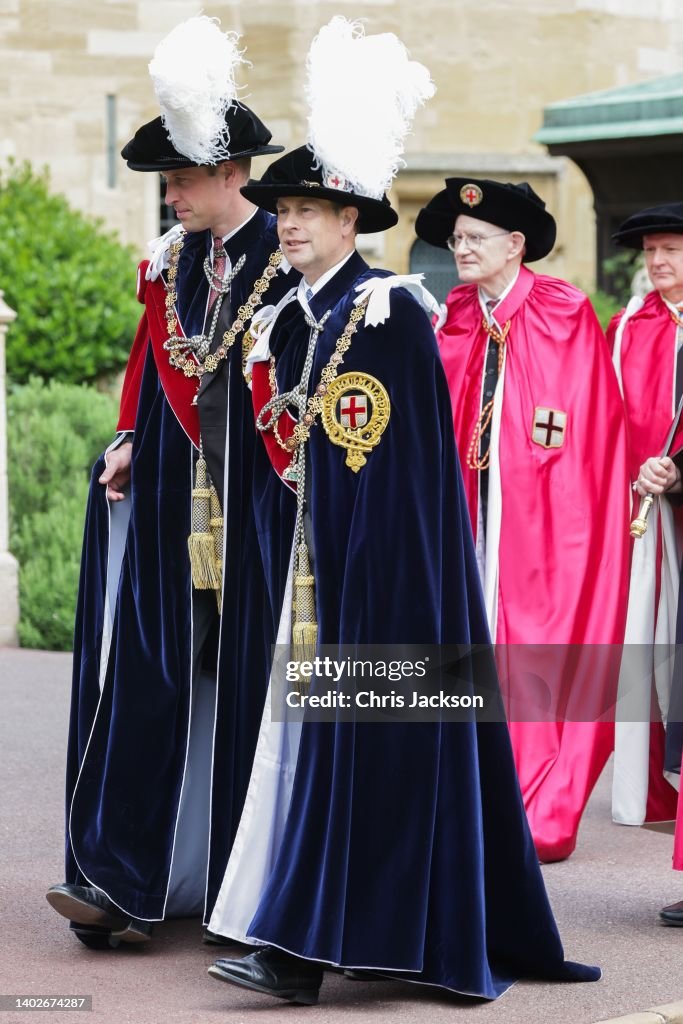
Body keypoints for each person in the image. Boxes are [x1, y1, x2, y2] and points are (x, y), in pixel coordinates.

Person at [204, 18, 600, 1006]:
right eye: (282, 208)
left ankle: (302, 952)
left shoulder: (386, 313)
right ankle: (295, 939)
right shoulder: (289, 317)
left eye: (308, 208)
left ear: (351, 221)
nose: (288, 224)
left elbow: (402, 473)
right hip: (307, 575)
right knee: (303, 763)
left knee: (364, 767)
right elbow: (293, 456)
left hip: (384, 586)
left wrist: (376, 582)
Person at [45, 17, 296, 949]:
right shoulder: (172, 262)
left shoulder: (289, 249)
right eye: (167, 181)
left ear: (234, 174)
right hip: (168, 512)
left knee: (243, 694)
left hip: (262, 512)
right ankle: (117, 881)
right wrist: (128, 440)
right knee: (146, 680)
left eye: (185, 178)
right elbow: (155, 371)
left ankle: (245, 894)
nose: (173, 194)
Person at [414, 179, 631, 862]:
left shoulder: (563, 312)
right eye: (455, 240)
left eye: (475, 239)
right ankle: (463, 791)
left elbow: (590, 430)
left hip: (544, 524)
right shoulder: (452, 316)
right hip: (468, 514)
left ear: (514, 246)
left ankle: (535, 796)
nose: (460, 250)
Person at [610, 204, 683, 924]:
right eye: (651, 250)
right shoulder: (630, 327)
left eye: (672, 248)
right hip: (645, 524)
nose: (658, 260)